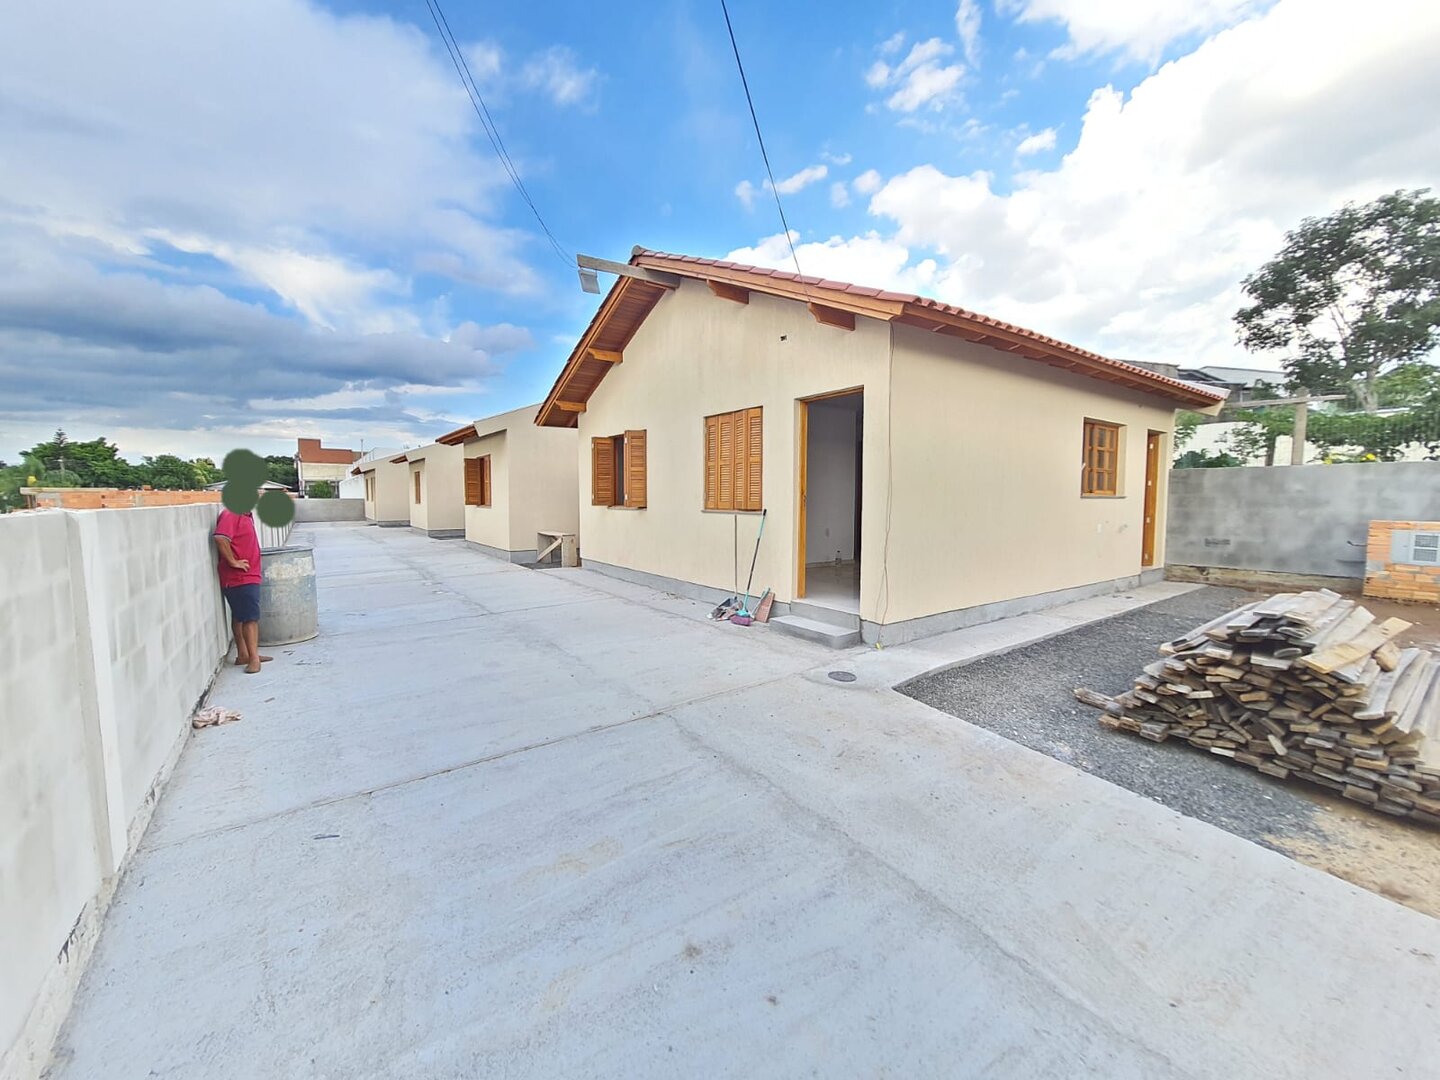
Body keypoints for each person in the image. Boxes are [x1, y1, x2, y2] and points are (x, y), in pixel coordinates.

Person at [213, 508, 272, 674]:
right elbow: (220, 537)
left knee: (239, 616)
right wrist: (233, 562)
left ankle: (243, 655)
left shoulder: (245, 515)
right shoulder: (232, 514)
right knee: (250, 618)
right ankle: (253, 659)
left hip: (247, 575)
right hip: (240, 577)